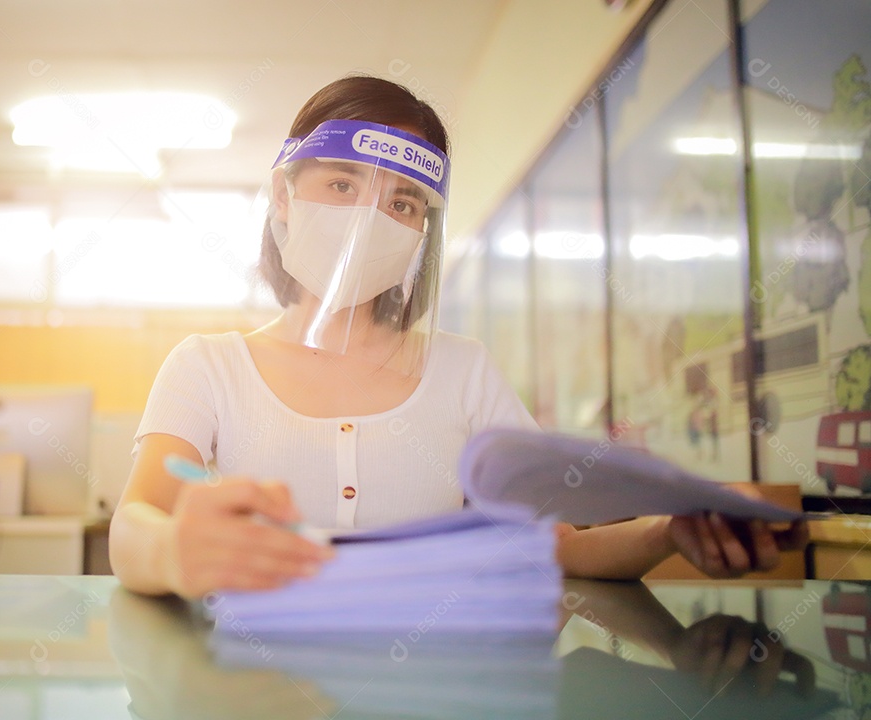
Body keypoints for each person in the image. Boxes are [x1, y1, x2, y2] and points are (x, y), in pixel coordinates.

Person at [109, 75, 808, 597]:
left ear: (420, 232)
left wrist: (663, 533)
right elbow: (134, 524)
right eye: (343, 185)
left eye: (402, 201)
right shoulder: (206, 368)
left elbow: (553, 545)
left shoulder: (465, 371)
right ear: (285, 196)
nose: (368, 218)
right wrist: (174, 552)